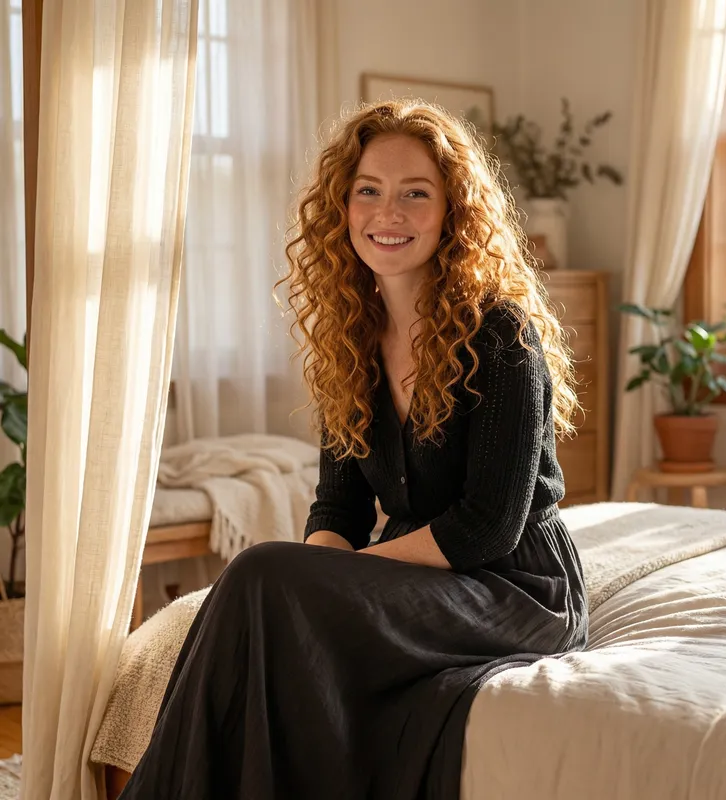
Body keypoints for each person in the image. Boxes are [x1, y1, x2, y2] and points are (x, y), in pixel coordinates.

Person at [119, 99, 588, 800]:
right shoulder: (352, 340)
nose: (386, 213)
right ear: (342, 206)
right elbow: (338, 502)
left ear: (454, 209)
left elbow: (487, 526)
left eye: (415, 194)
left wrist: (342, 575)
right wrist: (322, 577)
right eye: (368, 190)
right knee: (270, 591)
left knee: (259, 576)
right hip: (421, 577)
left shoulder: (501, 335)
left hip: (516, 587)